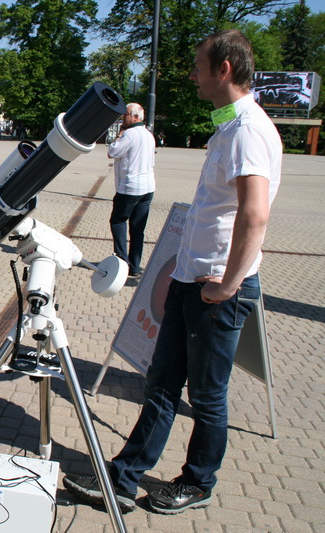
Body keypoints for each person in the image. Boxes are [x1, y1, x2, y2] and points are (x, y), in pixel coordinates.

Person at [63, 29, 282, 515]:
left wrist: (228, 283)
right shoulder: (230, 126)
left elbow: (255, 214)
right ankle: (122, 478)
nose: (192, 74)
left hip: (217, 290)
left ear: (224, 68)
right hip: (191, 281)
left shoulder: (249, 129)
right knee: (161, 385)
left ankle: (198, 482)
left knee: (206, 396)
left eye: (199, 65)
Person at [107, 103, 156, 280]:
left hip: (130, 188)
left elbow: (112, 152)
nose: (123, 118)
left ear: (135, 117)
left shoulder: (129, 135)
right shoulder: (149, 135)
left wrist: (119, 135)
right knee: (137, 228)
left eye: (125, 114)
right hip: (148, 187)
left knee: (118, 221)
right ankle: (135, 266)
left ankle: (121, 262)